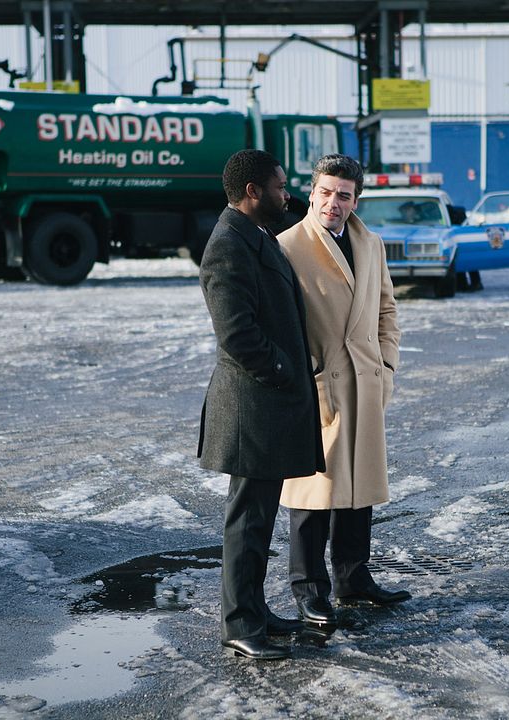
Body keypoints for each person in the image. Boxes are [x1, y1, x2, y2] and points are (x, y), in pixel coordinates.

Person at [197, 149, 325, 660]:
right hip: (252, 408)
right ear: (252, 191)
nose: (287, 194)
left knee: (259, 519)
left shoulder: (254, 234)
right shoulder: (228, 245)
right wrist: (283, 370)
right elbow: (236, 334)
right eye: (279, 186)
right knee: (247, 521)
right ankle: (239, 624)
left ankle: (254, 611)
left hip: (265, 406)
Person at [277, 154, 409, 631]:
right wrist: (303, 373)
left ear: (356, 201)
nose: (333, 202)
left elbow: (387, 309)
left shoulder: (370, 243)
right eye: (326, 192)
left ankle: (353, 578)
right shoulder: (287, 245)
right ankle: (309, 590)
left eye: (344, 195)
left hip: (366, 380)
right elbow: (278, 321)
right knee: (312, 494)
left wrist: (386, 365)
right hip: (320, 383)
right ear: (312, 193)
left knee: (359, 488)